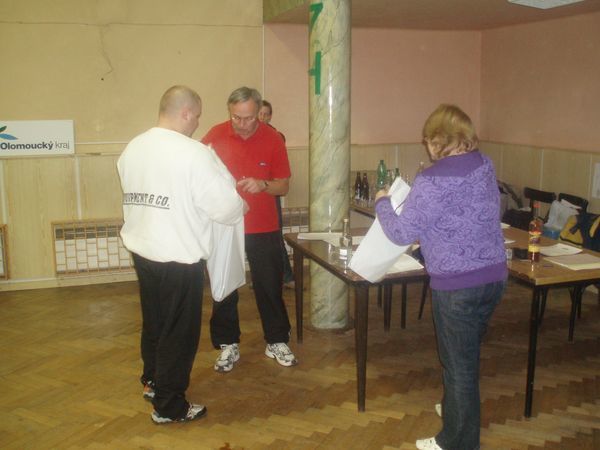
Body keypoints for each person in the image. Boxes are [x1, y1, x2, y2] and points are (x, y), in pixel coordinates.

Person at [374, 104, 507, 450]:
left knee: (457, 366)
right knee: (466, 354)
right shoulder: (485, 164)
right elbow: (468, 212)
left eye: (428, 140)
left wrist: (382, 202)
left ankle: (457, 441)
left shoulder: (431, 180)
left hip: (457, 286)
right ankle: (456, 408)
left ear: (437, 140)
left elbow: (401, 233)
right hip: (494, 277)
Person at [117, 85, 245, 424]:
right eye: (197, 116)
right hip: (178, 256)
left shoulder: (133, 148)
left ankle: (153, 381)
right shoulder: (194, 154)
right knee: (179, 331)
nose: (197, 123)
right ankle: (169, 406)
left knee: (155, 321)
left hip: (143, 252)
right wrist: (241, 206)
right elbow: (225, 207)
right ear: (186, 113)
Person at [202, 87, 297, 373]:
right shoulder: (215, 135)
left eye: (248, 118)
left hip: (263, 225)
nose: (242, 124)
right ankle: (227, 343)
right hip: (225, 225)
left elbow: (283, 185)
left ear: (259, 113)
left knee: (269, 285)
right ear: (229, 112)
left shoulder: (272, 138)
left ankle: (277, 340)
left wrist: (263, 184)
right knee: (224, 285)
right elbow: (198, 176)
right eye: (236, 117)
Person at [258, 99, 294, 288]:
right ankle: (259, 278)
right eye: (260, 114)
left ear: (270, 116)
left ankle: (287, 277)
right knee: (256, 239)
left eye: (266, 114)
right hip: (253, 193)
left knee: (275, 235)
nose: (262, 117)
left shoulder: (276, 136)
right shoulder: (249, 135)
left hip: (271, 191)